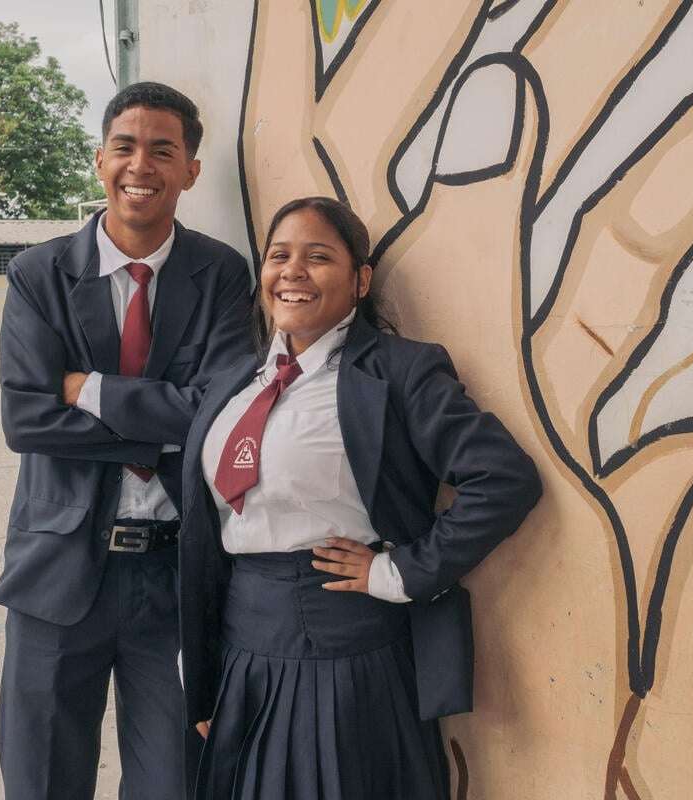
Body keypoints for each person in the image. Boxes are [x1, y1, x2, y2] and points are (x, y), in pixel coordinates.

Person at [178, 197, 543, 799]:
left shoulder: (400, 371)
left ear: (361, 279)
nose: (292, 271)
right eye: (278, 256)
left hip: (347, 653)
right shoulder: (233, 384)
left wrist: (402, 571)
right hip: (244, 653)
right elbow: (208, 538)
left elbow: (505, 478)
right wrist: (206, 676)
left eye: (318, 257)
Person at [0, 81, 254, 800]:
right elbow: (26, 421)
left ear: (190, 170)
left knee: (176, 782)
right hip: (57, 571)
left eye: (163, 151)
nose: (141, 165)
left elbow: (218, 413)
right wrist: (164, 431)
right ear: (100, 160)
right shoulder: (39, 275)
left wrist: (89, 390)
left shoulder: (222, 275)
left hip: (174, 579)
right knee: (44, 781)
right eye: (125, 147)